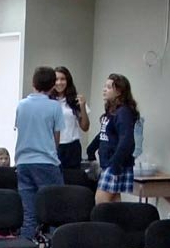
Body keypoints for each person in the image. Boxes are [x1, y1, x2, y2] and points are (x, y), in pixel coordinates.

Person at [14, 66, 65, 240]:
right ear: (52, 86)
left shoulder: (21, 105)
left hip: (23, 161)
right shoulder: (54, 107)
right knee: (55, 209)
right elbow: (56, 137)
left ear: (33, 83)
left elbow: (20, 129)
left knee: (28, 213)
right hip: (46, 161)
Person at [95, 73, 140, 204]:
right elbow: (104, 133)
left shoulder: (123, 112)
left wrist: (115, 164)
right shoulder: (112, 111)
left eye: (109, 87)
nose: (104, 90)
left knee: (101, 204)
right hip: (108, 162)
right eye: (105, 86)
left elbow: (127, 140)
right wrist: (91, 149)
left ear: (119, 92)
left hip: (115, 163)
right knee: (113, 204)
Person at [49, 66, 90, 169]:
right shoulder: (48, 100)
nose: (59, 82)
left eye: (63, 79)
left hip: (72, 147)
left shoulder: (75, 99)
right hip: (52, 146)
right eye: (56, 79)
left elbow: (85, 127)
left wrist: (82, 106)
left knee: (72, 177)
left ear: (68, 81)